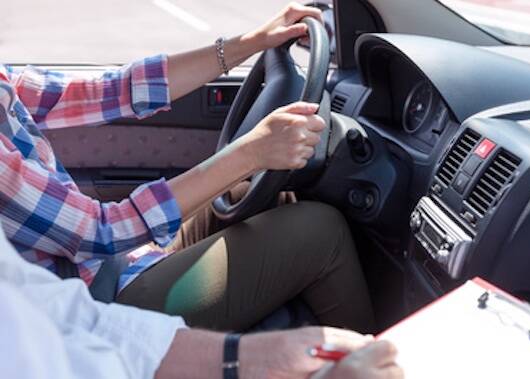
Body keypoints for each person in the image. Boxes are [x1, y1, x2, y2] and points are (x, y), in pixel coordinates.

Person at [0, 3, 375, 333]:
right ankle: (378, 362)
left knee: (261, 194)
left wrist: (250, 42)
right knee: (321, 231)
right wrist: (251, 152)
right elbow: (100, 231)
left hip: (106, 268)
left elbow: (110, 90)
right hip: (97, 309)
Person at [0, 226, 404, 379]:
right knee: (322, 230)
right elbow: (97, 228)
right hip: (115, 286)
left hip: (112, 276)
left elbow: (65, 313)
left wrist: (244, 356)